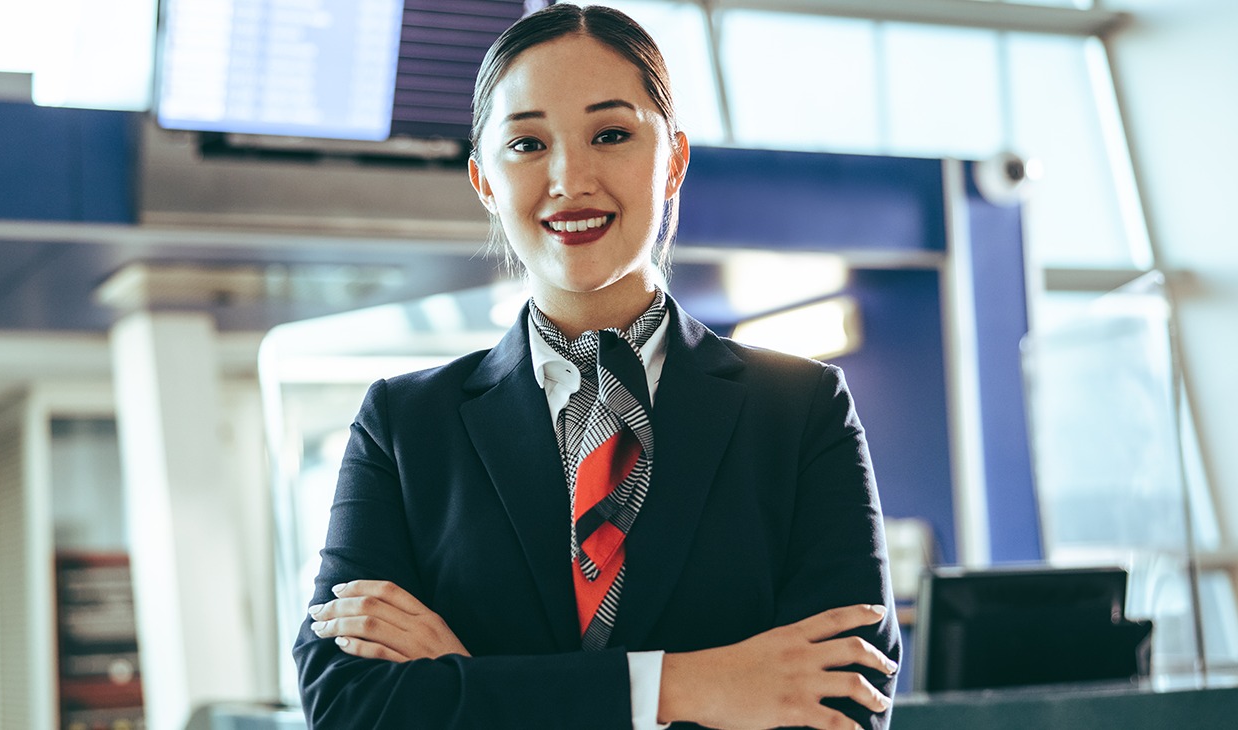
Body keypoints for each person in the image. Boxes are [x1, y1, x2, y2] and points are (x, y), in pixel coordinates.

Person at [293, 5, 899, 729]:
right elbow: (349, 708)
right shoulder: (404, 425)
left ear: (671, 159)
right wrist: (679, 686)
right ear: (483, 179)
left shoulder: (798, 409)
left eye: (609, 134)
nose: (568, 178)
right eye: (525, 143)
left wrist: (470, 684)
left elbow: (842, 699)